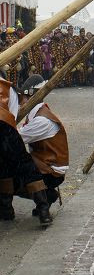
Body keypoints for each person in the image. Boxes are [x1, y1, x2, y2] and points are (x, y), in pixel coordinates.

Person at [0, 69, 53, 226]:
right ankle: (43, 210)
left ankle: (6, 211)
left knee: (3, 168)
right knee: (27, 167)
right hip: (5, 129)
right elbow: (13, 117)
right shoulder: (8, 88)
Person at [18, 77, 69, 218]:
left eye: (22, 98)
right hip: (44, 164)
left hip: (51, 171)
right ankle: (46, 197)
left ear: (30, 97)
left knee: (15, 169)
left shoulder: (41, 120)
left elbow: (17, 139)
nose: (20, 103)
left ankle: (44, 205)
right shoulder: (38, 114)